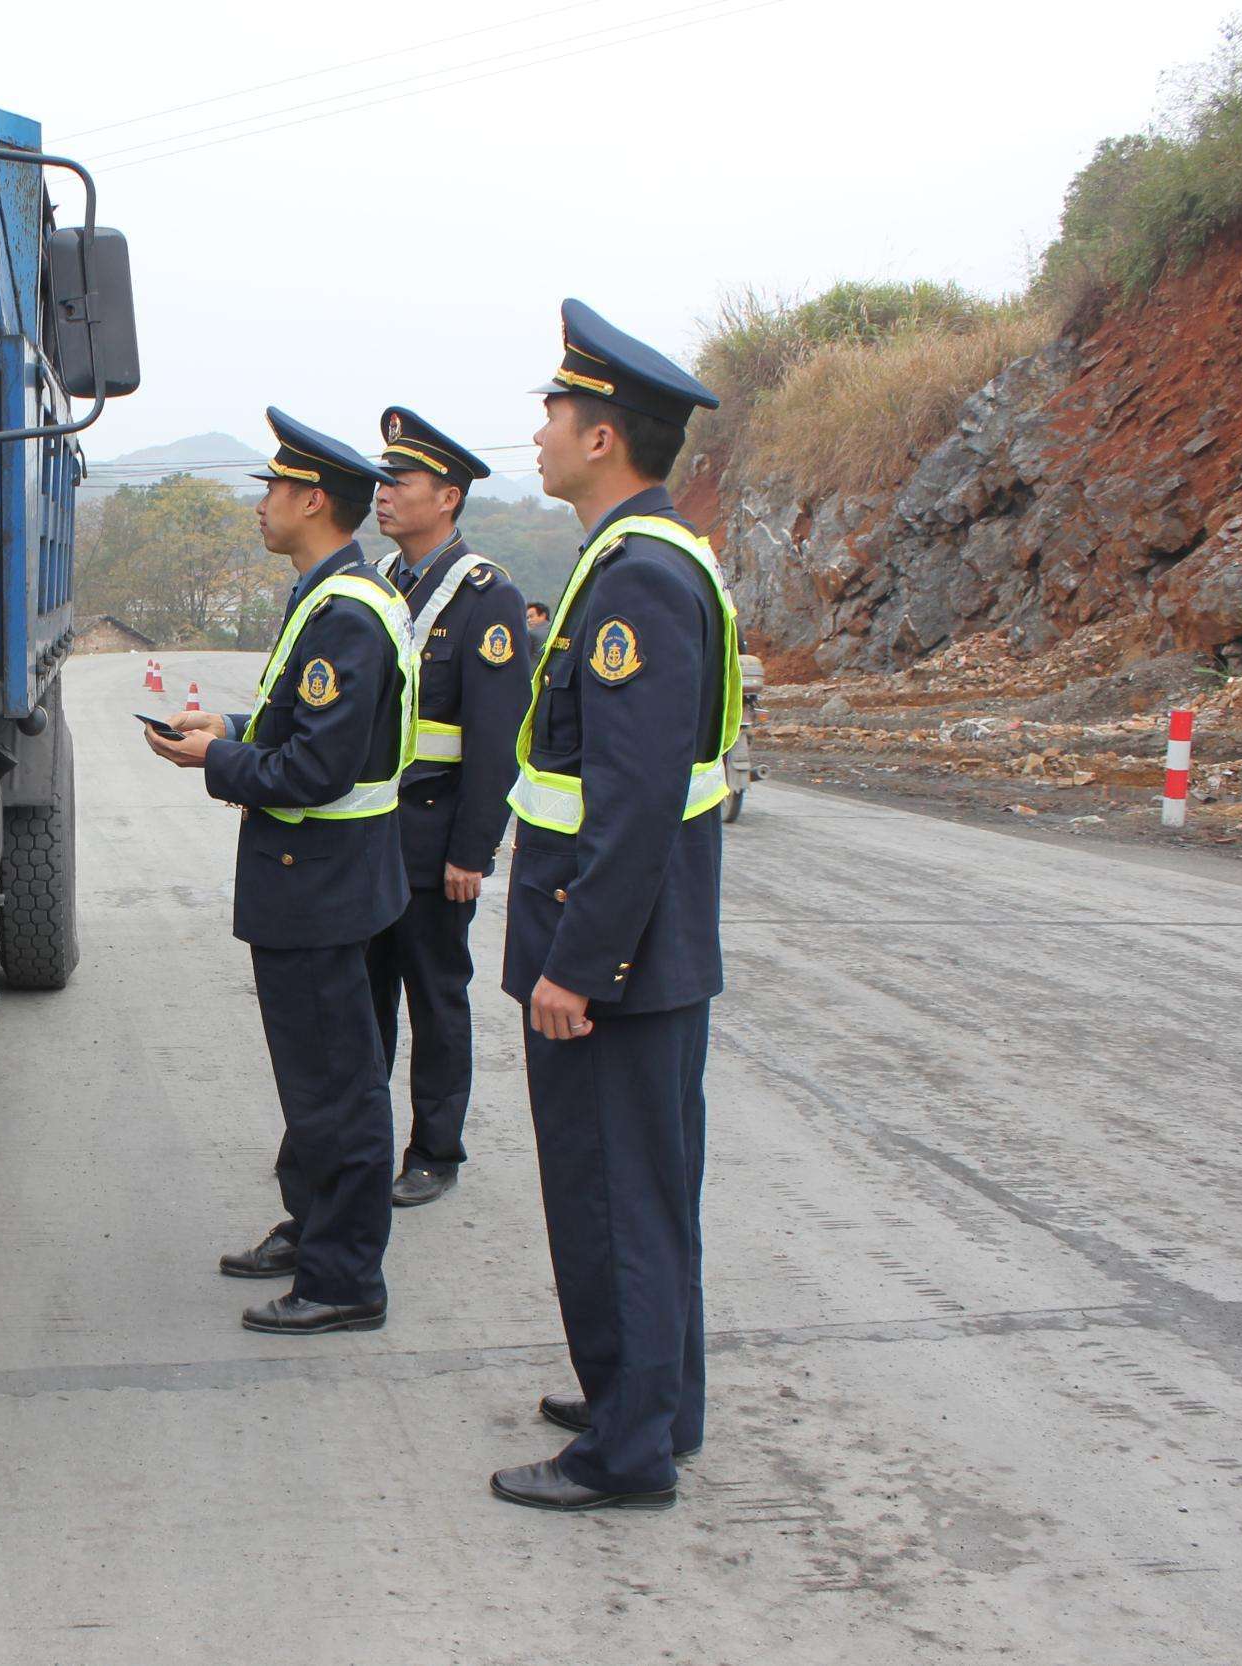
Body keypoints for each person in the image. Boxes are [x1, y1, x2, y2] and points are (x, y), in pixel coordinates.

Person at [491, 300, 741, 1512]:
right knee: (646, 1189)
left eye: (552, 411)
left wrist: (575, 964)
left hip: (614, 965)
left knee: (612, 1199)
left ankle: (624, 1453)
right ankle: (652, 1400)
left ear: (601, 439)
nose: (536, 429)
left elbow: (634, 801)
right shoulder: (642, 557)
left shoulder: (637, 579)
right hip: (645, 954)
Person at [146, 407, 415, 1335]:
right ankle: (313, 1228)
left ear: (312, 500)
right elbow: (299, 730)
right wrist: (232, 728)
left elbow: (315, 771)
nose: (260, 504)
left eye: (272, 489)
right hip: (321, 880)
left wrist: (211, 764)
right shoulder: (328, 596)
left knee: (338, 1086)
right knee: (314, 1079)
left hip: (323, 883)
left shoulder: (347, 615)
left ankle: (345, 1278)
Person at [364, 408, 530, 1208]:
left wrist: (474, 850)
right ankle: (357, 1141)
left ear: (450, 498)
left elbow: (497, 741)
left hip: (436, 840)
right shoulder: (385, 585)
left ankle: (435, 1149)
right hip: (370, 835)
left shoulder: (486, 597)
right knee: (363, 997)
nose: (383, 493)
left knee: (434, 997)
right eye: (382, 479)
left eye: (401, 482)